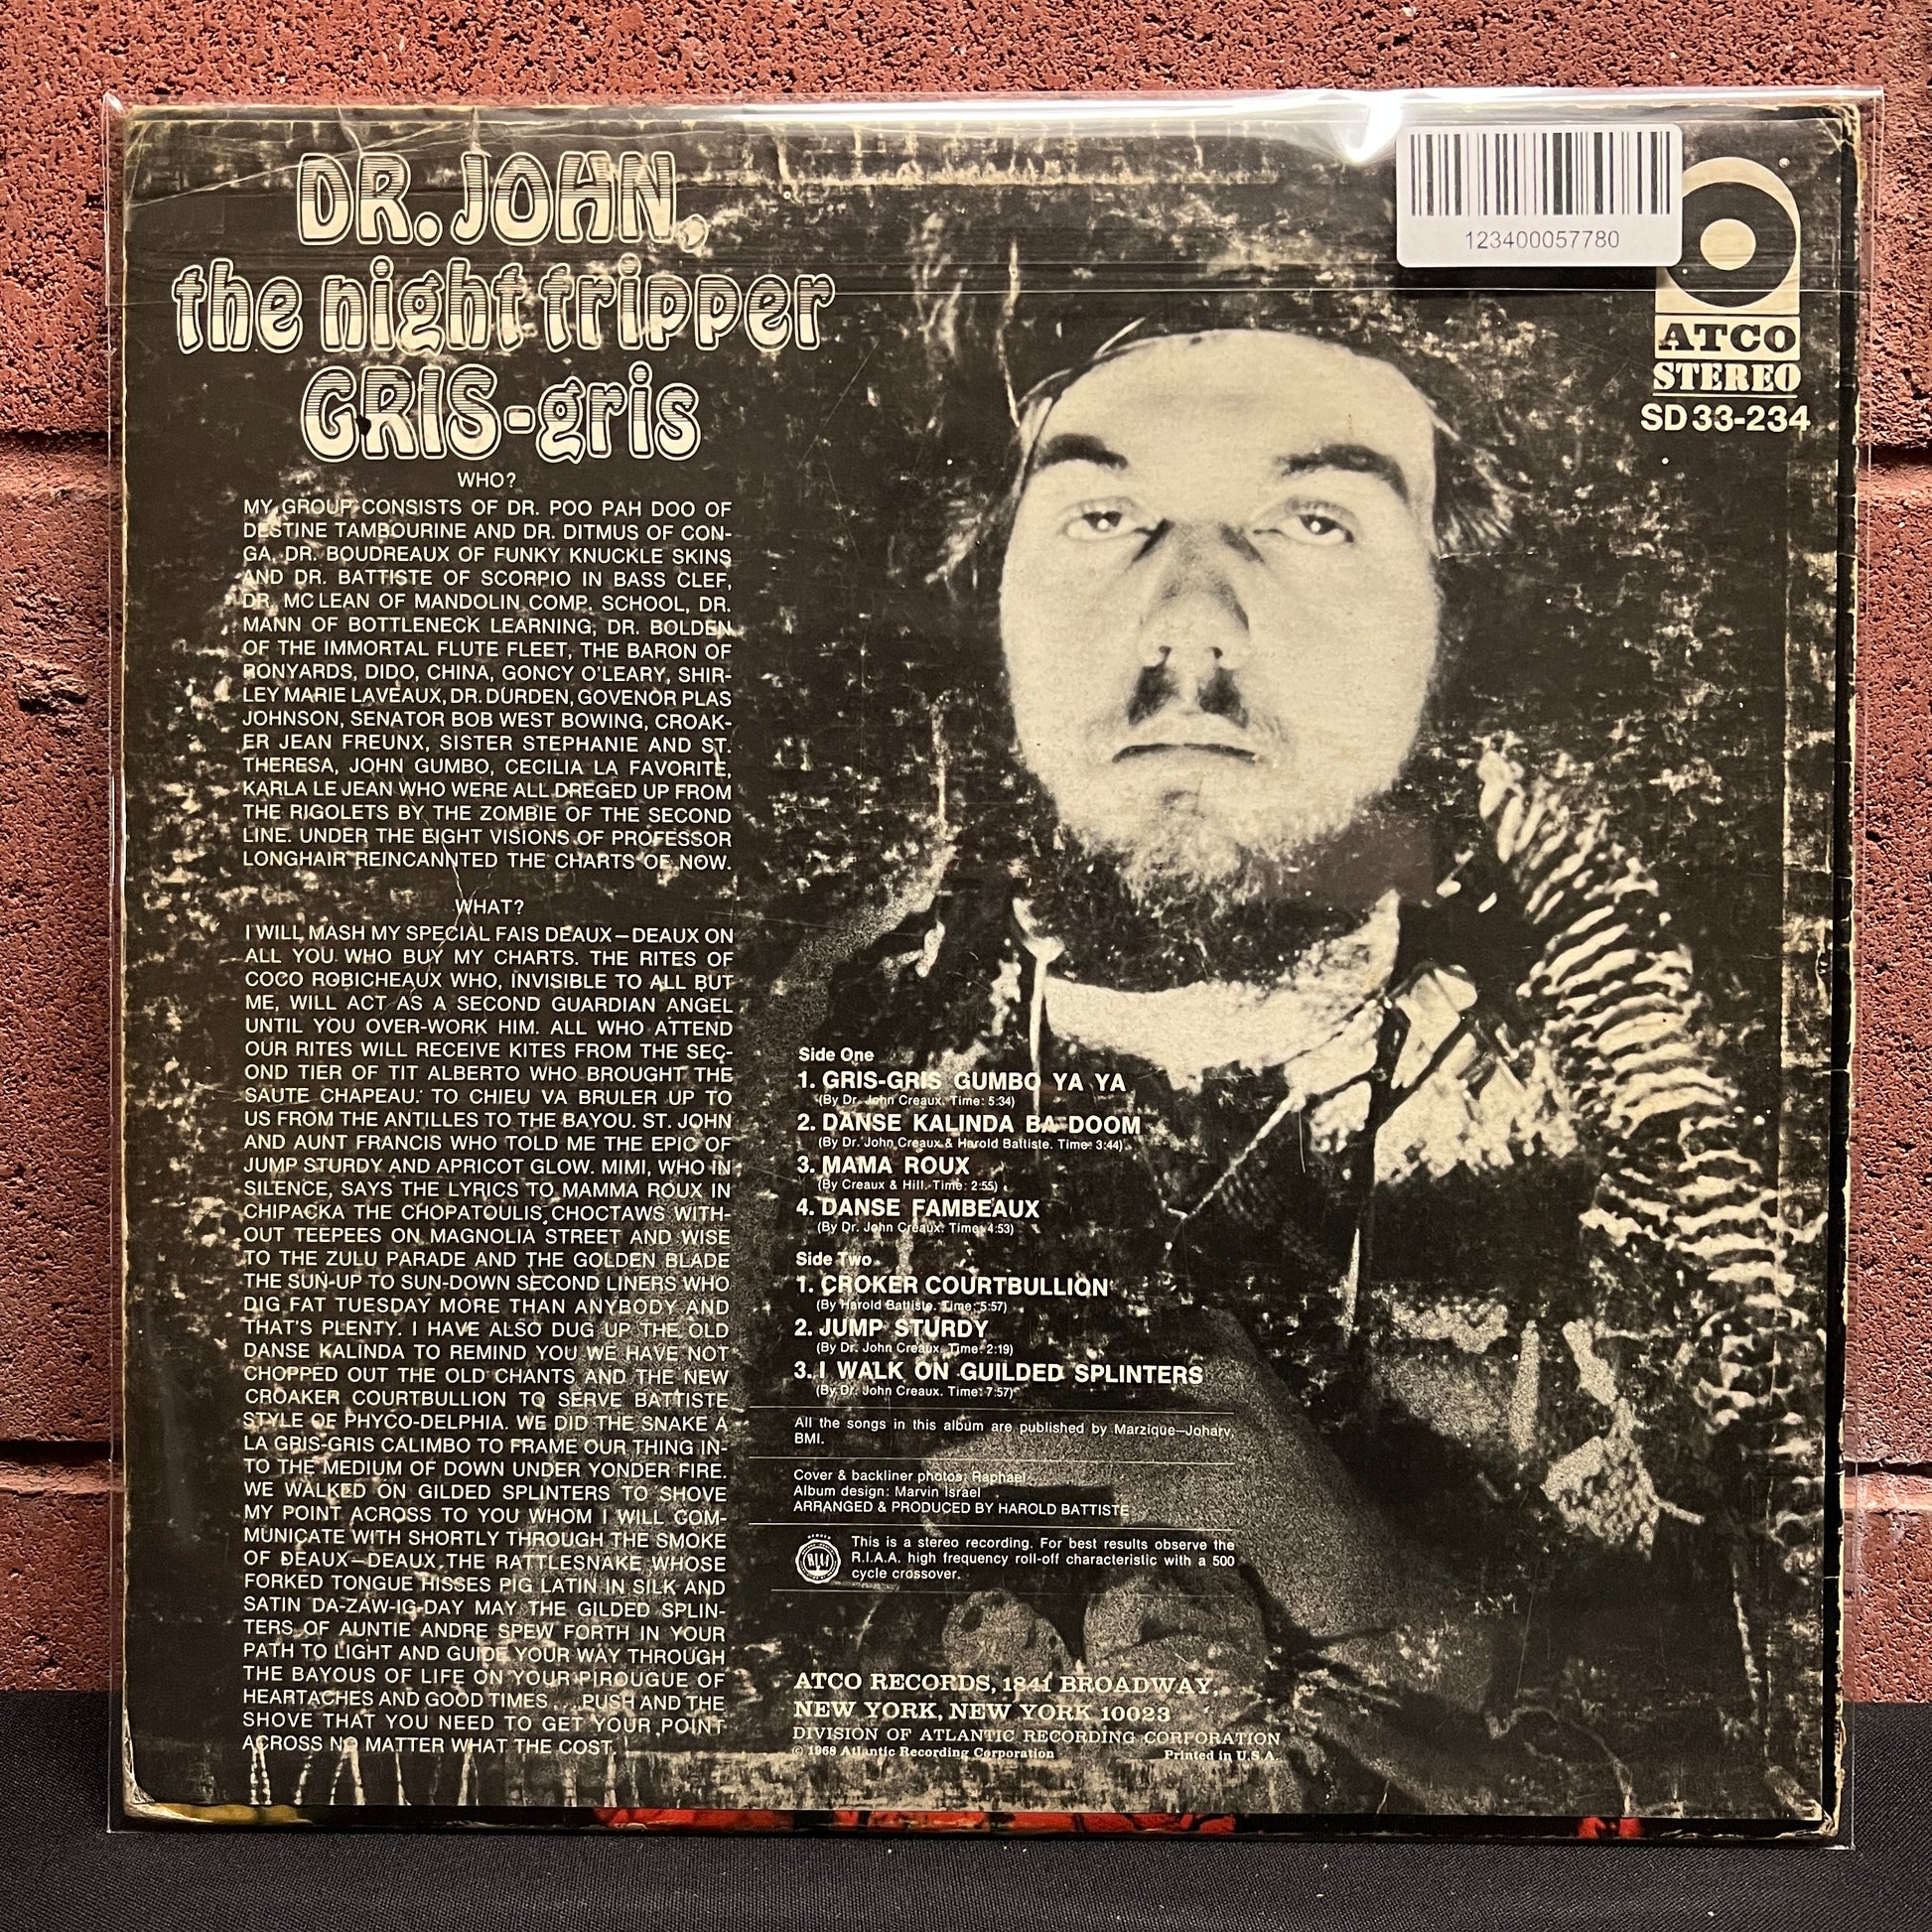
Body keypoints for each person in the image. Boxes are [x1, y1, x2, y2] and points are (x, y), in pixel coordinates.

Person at [760, 314, 1826, 1819]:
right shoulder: (813, 1063)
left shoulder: (1641, 1133)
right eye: (1102, 516)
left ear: (1451, 621)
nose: (1189, 625)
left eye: (1313, 520)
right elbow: (578, 1707)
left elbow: (1796, 1766)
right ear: (983, 591)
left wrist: (1392, 1603)